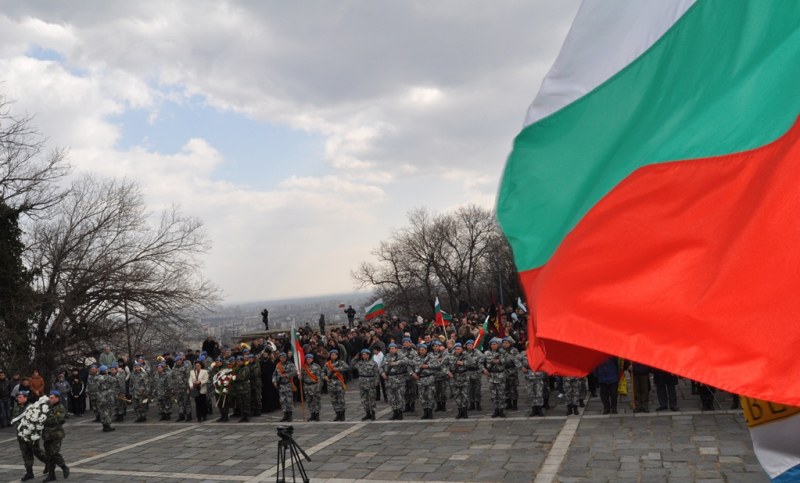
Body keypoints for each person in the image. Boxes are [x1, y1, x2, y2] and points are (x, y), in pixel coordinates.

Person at [12, 390, 47, 481]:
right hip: (21, 435)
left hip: (31, 435)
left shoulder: (32, 407)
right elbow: (14, 419)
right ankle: (29, 473)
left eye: (20, 397)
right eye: (18, 397)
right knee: (25, 454)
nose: (18, 399)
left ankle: (48, 462)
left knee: (37, 452)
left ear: (25, 398)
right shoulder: (16, 407)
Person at [42, 390, 69, 482]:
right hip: (46, 435)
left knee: (54, 453)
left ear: (57, 398)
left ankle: (64, 466)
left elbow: (58, 419)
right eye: (49, 397)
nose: (50, 399)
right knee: (49, 455)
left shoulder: (60, 408)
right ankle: (51, 474)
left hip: (56, 434)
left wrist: (43, 419)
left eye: (52, 398)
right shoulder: (46, 407)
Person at [412, 343, 440, 420]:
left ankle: (430, 412)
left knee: (430, 396)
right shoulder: (415, 358)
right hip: (420, 379)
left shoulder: (431, 357)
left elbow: (438, 365)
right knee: (422, 397)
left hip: (429, 378)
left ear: (426, 350)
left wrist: (428, 366)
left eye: (423, 350)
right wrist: (412, 374)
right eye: (420, 350)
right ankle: (425, 412)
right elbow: (409, 366)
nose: (422, 351)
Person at [350, 348, 379, 421]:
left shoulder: (373, 363)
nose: (363, 356)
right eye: (362, 354)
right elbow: (351, 365)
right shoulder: (360, 363)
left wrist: (376, 382)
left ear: (368, 355)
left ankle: (373, 413)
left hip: (370, 382)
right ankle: (367, 413)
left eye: (365, 354)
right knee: (364, 399)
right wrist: (355, 358)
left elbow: (376, 374)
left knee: (372, 398)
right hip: (362, 382)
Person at [381, 343, 407, 420]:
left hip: (399, 379)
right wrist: (382, 373)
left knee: (399, 396)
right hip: (389, 380)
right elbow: (381, 366)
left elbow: (406, 361)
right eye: (390, 348)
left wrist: (396, 363)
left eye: (393, 348)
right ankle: (395, 412)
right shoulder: (386, 356)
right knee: (391, 397)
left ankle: (400, 412)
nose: (391, 350)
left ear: (396, 349)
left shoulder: (400, 355)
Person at [483, 338, 508, 418]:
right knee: (493, 394)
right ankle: (495, 410)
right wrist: (483, 370)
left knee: (501, 394)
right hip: (491, 376)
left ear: (498, 345)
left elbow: (508, 360)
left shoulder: (503, 352)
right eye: (492, 344)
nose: (493, 346)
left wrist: (500, 361)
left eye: (495, 344)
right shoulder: (487, 353)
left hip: (500, 375)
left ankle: (501, 410)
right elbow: (480, 362)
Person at [517, 349, 547, 417]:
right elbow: (516, 359)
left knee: (539, 393)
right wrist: (521, 367)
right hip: (529, 376)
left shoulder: (541, 352)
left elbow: (546, 361)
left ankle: (539, 408)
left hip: (538, 375)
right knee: (531, 393)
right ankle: (533, 408)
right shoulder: (524, 353)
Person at [324, 349, 348, 421]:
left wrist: (337, 369)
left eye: (334, 355)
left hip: (339, 383)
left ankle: (342, 414)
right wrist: (324, 377)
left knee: (341, 400)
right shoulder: (327, 364)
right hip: (331, 383)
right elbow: (322, 371)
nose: (332, 356)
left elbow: (347, 367)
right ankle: (337, 414)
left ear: (337, 355)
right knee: (333, 400)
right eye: (331, 355)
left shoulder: (341, 362)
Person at [272, 352, 296, 422]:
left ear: (286, 358)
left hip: (288, 384)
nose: (282, 359)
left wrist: (286, 375)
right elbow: (274, 374)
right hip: (281, 386)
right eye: (280, 358)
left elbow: (294, 372)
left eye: (283, 357)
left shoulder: (290, 364)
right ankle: (285, 415)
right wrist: (274, 381)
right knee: (282, 401)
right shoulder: (278, 365)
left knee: (289, 400)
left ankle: (290, 415)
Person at [450, 343, 471, 419]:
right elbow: (443, 365)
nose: (457, 350)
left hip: (464, 378)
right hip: (455, 378)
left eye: (458, 349)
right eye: (456, 349)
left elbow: (472, 363)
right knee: (457, 396)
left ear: (462, 349)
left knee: (465, 395)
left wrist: (463, 363)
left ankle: (465, 411)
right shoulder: (451, 356)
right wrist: (448, 372)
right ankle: (460, 411)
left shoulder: (466, 355)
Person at [301, 353, 323, 421]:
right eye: (307, 359)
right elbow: (302, 377)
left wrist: (319, 387)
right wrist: (299, 377)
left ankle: (317, 415)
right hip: (307, 386)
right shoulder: (303, 367)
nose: (308, 360)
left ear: (312, 359)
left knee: (316, 401)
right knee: (309, 401)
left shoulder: (316, 366)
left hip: (314, 386)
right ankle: (312, 414)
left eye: (309, 359)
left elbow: (320, 378)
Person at [501, 337, 520, 410]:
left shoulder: (514, 350)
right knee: (506, 388)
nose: (505, 344)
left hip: (512, 371)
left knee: (513, 388)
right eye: (503, 343)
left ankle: (515, 404)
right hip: (504, 371)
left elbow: (517, 359)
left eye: (506, 343)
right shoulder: (501, 350)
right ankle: (508, 403)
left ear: (510, 343)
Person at [464, 339, 483, 411]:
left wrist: (469, 363)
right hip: (468, 373)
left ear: (473, 345)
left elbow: (480, 361)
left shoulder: (478, 353)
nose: (469, 346)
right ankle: (471, 403)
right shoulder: (464, 353)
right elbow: (463, 362)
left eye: (470, 345)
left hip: (476, 372)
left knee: (477, 389)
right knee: (469, 389)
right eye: (468, 345)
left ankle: (478, 403)